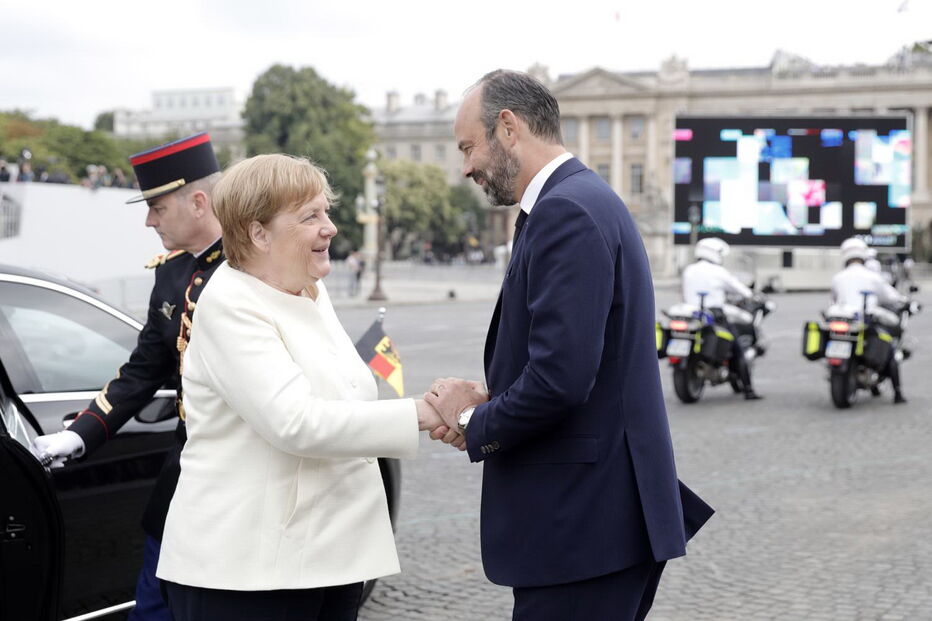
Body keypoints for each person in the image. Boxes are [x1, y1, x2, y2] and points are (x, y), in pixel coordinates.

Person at [425, 70, 713, 621]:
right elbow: (581, 361)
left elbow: (560, 379)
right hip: (597, 521)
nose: (465, 166)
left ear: (508, 127)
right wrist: (490, 395)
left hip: (584, 525)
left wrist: (469, 423)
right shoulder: (577, 199)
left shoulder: (565, 211)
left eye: (468, 147)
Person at [156, 153, 443, 621]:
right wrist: (425, 413)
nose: (329, 227)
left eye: (325, 212)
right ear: (258, 232)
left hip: (328, 558)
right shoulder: (230, 303)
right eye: (311, 216)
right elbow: (296, 422)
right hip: (249, 572)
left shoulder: (308, 286)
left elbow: (345, 398)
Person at [33, 132, 225, 620]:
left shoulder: (255, 265)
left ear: (198, 201)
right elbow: (142, 369)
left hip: (241, 483)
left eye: (157, 207)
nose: (148, 219)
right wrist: (79, 436)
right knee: (155, 602)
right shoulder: (171, 274)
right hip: (185, 470)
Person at [682, 237, 763, 400]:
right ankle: (748, 390)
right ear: (715, 253)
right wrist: (753, 296)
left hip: (691, 314)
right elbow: (741, 290)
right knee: (738, 349)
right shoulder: (718, 272)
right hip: (714, 315)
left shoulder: (689, 270)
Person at [832, 237, 910, 403]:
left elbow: (833, 300)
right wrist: (905, 302)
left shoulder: (838, 277)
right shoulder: (872, 277)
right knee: (890, 347)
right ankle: (897, 392)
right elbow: (891, 297)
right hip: (865, 321)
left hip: (841, 320)